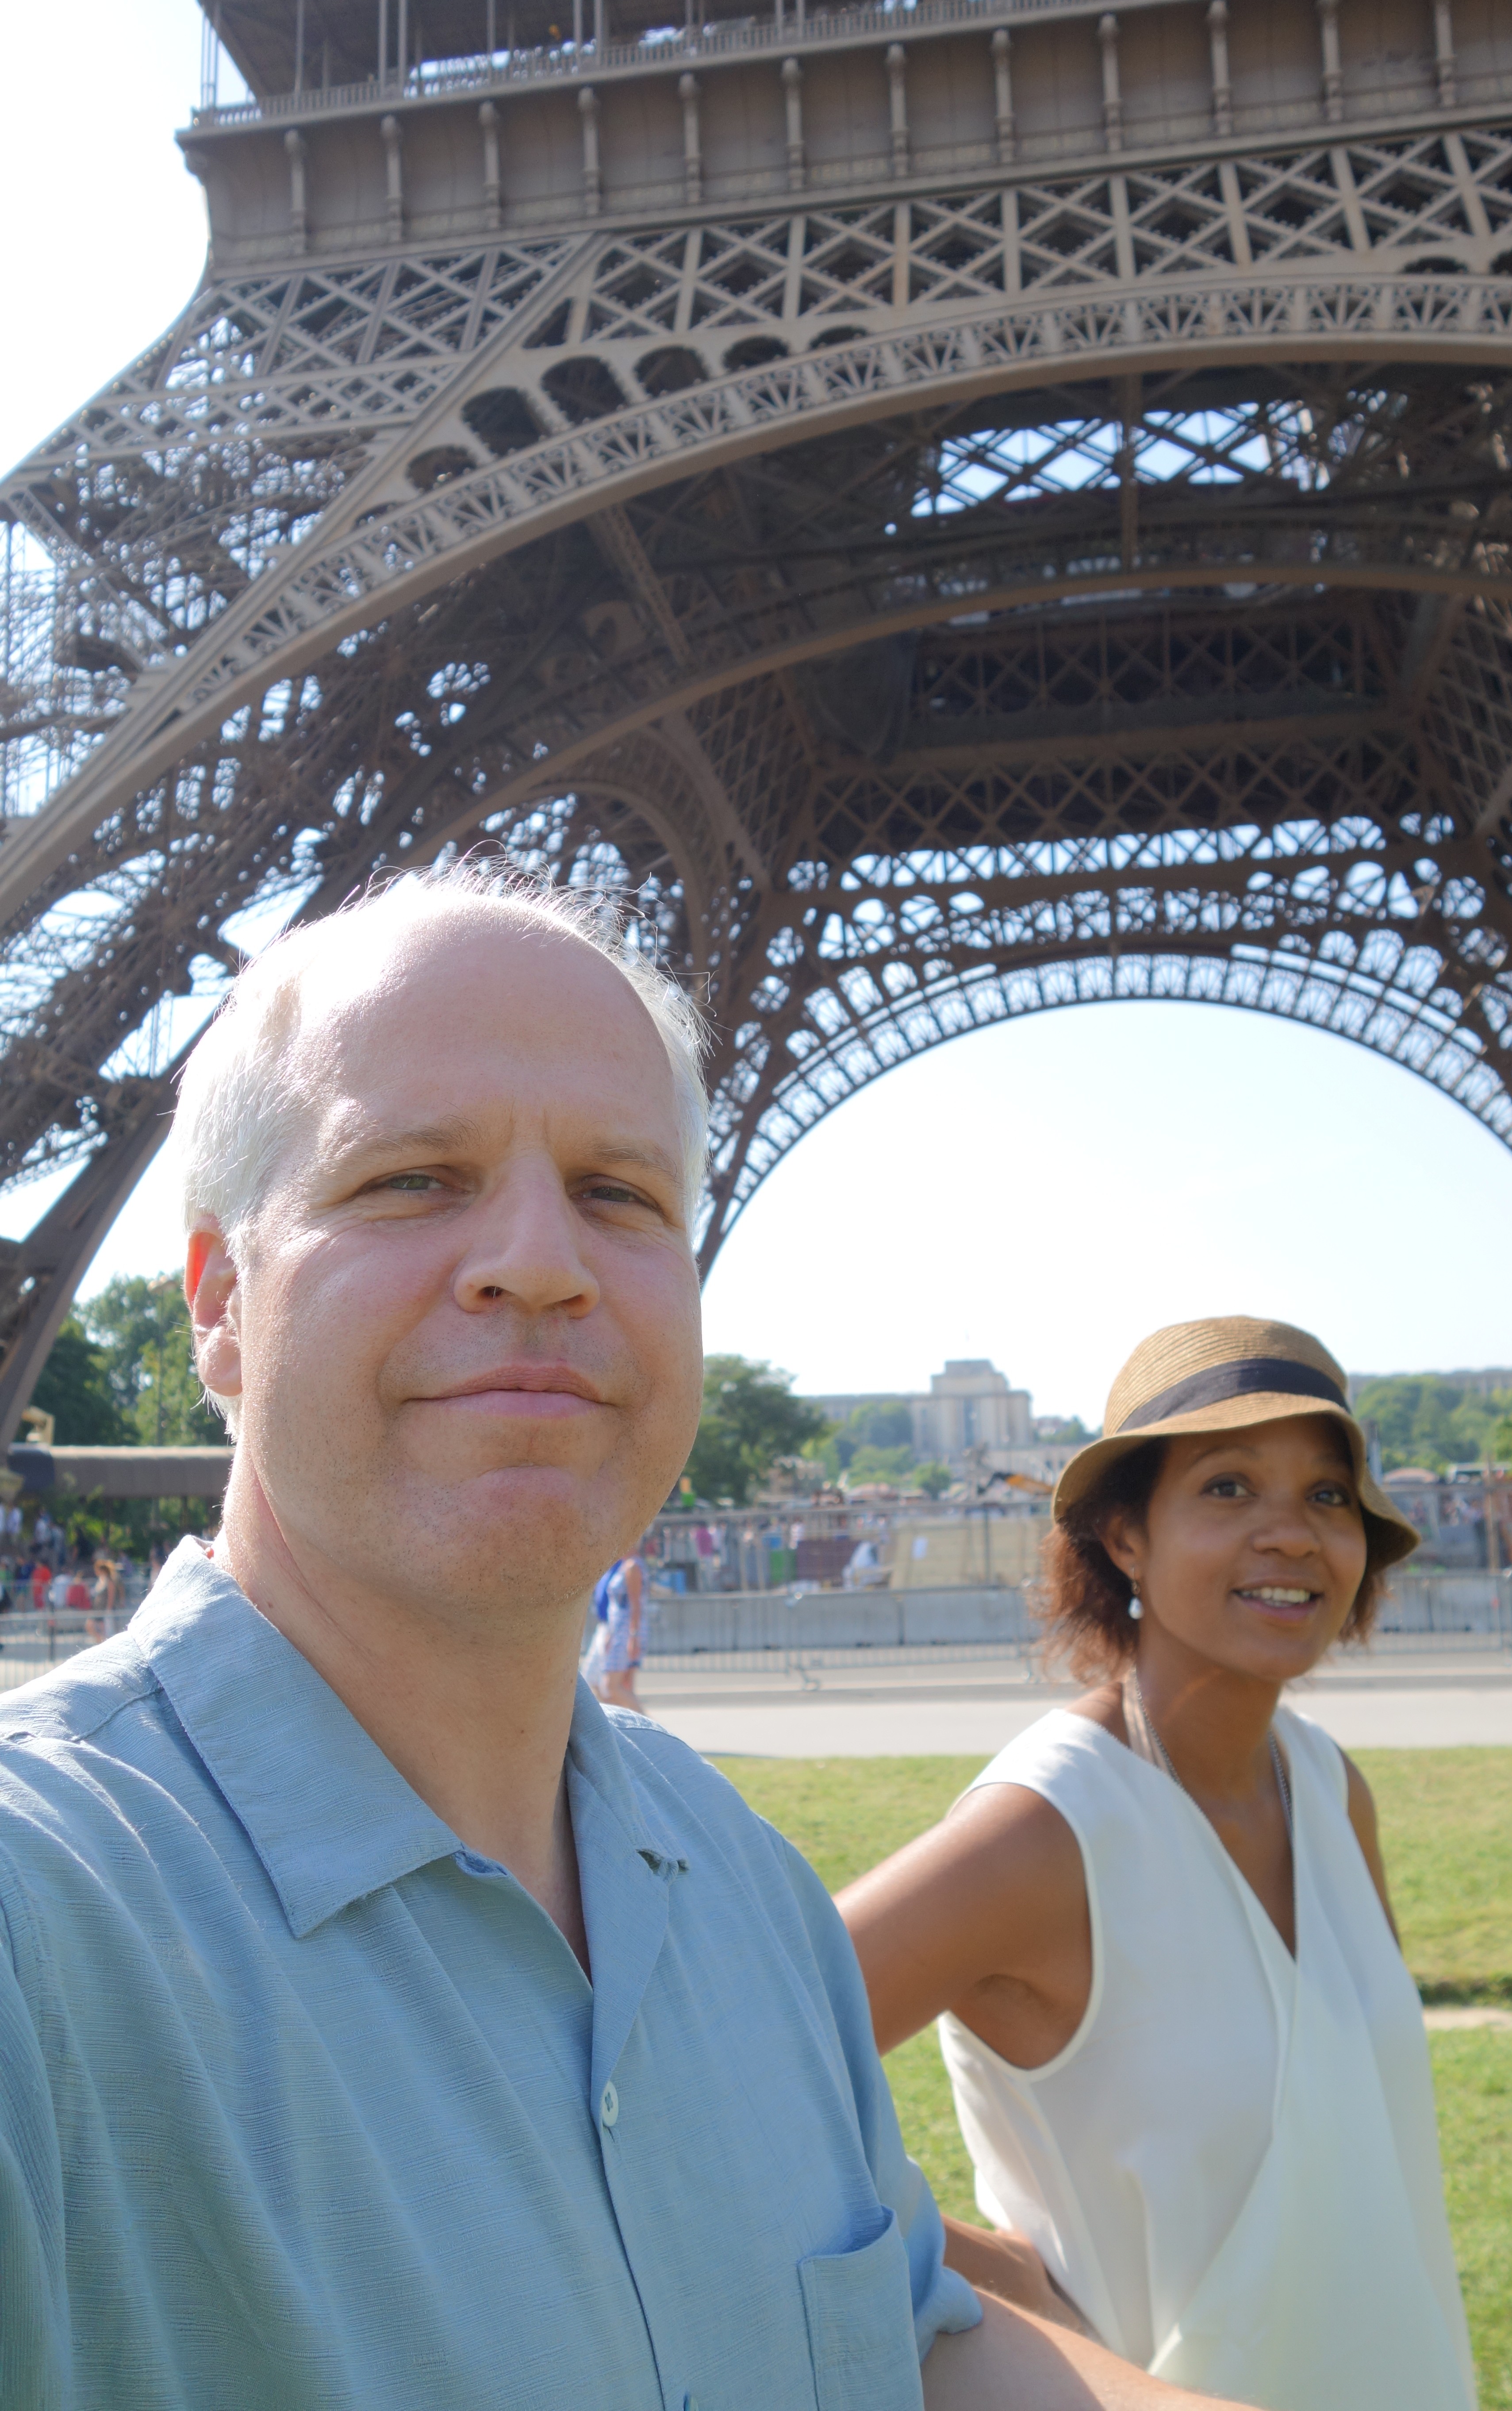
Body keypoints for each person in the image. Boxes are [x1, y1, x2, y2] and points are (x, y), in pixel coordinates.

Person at [0, 868, 1254, 2411]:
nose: (541, 1258)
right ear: (218, 1303)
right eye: (409, 1177)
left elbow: (918, 2348)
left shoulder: (745, 1885)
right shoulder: (33, 1922)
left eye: (620, 1193)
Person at [841, 1317, 1476, 2411]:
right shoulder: (1044, 1831)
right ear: (1125, 1534)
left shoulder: (1328, 1788)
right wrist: (988, 2277)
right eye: (1229, 1487)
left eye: (1329, 1495)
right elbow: (718, 2083)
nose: (1291, 1532)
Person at [583, 1544, 645, 1708]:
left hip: (624, 1631)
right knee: (615, 1686)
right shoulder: (623, 1565)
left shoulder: (632, 1566)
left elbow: (635, 1605)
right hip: (615, 1629)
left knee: (611, 1686)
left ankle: (648, 1727)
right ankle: (626, 1726)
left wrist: (634, 1636)